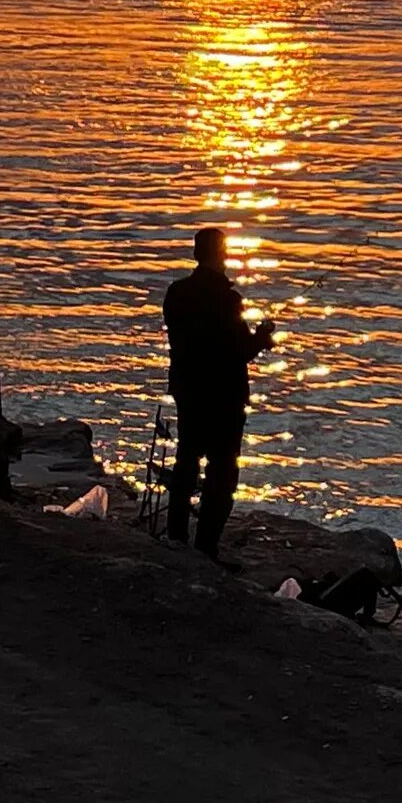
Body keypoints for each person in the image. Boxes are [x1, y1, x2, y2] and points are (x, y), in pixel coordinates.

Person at [161, 226, 273, 562]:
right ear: (221, 254)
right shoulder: (228, 300)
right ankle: (206, 547)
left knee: (186, 462)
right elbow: (238, 351)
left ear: (197, 254)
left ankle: (175, 538)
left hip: (188, 392)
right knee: (222, 473)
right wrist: (263, 336)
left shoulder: (175, 293)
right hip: (223, 398)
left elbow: (185, 342)